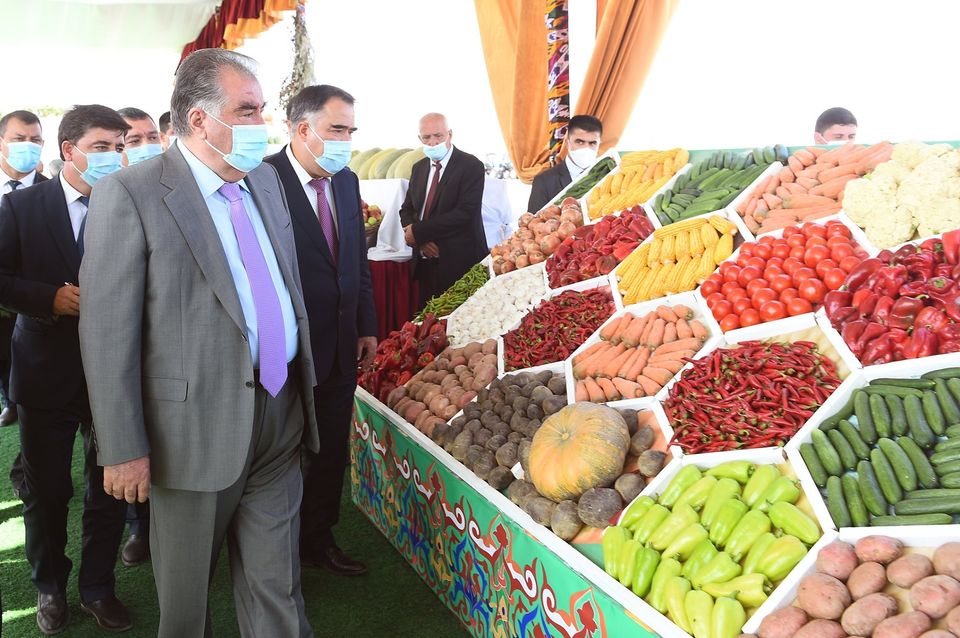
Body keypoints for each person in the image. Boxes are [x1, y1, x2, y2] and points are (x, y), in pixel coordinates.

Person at [79, 48, 319, 638]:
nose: (262, 123)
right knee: (186, 607)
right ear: (198, 120)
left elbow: (282, 284)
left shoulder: (266, 180)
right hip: (188, 434)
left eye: (262, 109)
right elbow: (107, 332)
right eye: (247, 110)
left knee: (278, 588)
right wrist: (122, 446)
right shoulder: (130, 194)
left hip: (280, 410)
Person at [0, 104, 132, 634]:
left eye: (119, 147)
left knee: (111, 488)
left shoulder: (131, 203)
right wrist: (48, 299)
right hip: (45, 373)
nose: (113, 157)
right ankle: (50, 586)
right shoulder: (22, 207)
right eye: (101, 147)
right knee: (48, 491)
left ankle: (98, 587)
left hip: (115, 376)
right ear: (69, 151)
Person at [264, 84, 376, 577]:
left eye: (351, 131)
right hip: (285, 348)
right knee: (280, 453)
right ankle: (273, 548)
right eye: (337, 130)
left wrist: (365, 324)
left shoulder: (346, 180)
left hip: (340, 342)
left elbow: (356, 260)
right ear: (302, 129)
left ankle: (318, 537)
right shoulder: (260, 180)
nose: (345, 141)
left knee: (331, 448)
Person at [111, 106, 164, 569]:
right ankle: (136, 527)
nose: (146, 146)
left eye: (152, 137)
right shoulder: (117, 196)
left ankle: (151, 527)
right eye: (134, 140)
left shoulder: (171, 193)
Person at [399, 113, 486, 308]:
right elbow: (407, 209)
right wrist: (420, 240)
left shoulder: (471, 166)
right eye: (427, 137)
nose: (433, 142)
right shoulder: (419, 168)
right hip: (425, 264)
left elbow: (465, 213)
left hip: (459, 262)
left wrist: (418, 232)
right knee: (428, 319)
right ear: (420, 138)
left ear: (450, 134)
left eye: (438, 136)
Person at [0, 110, 47, 429]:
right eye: (19, 139)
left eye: (35, 140)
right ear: (2, 143)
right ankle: (9, 401)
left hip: (36, 300)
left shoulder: (53, 191)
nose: (28, 146)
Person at [526, 114, 603, 213]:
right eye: (579, 142)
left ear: (599, 144)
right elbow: (535, 221)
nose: (586, 148)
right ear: (567, 143)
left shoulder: (609, 172)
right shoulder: (544, 182)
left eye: (592, 143)